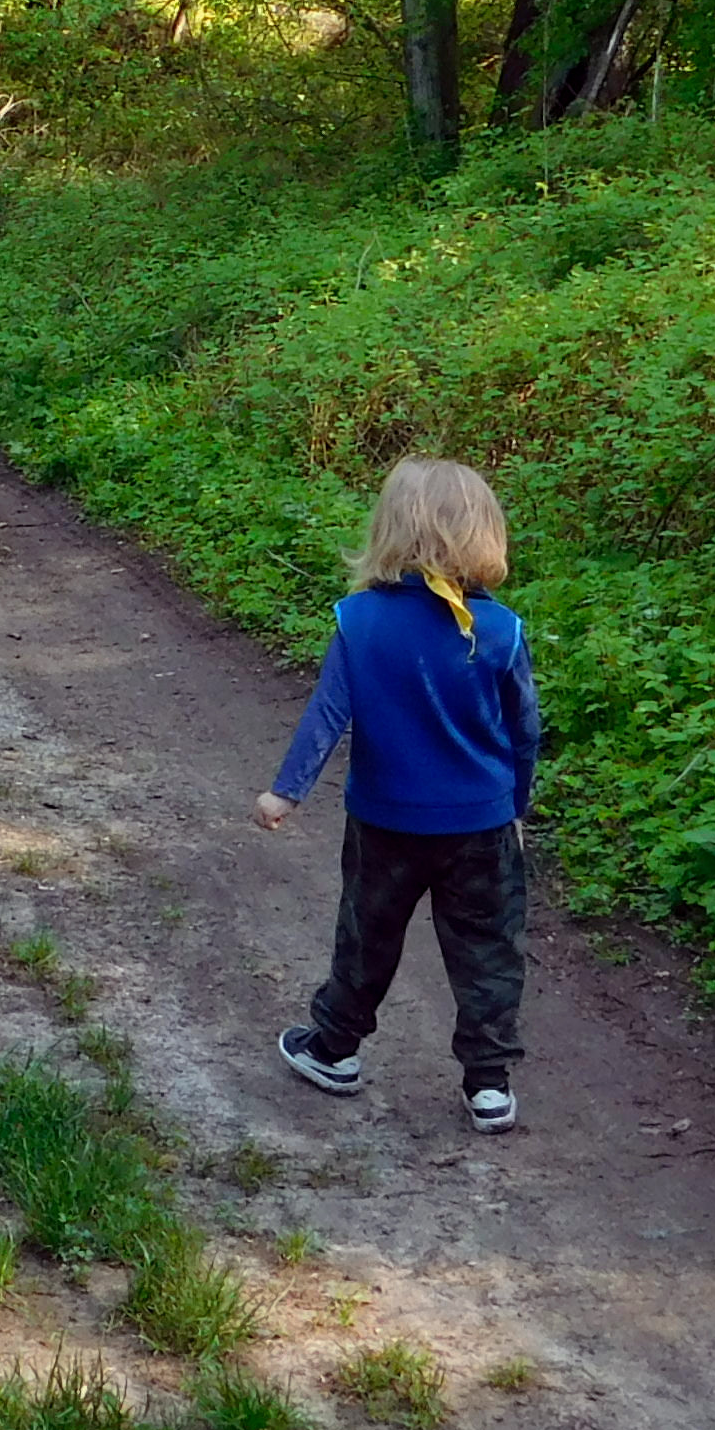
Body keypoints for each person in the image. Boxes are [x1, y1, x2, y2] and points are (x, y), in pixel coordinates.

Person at [255, 457, 539, 1129]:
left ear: (392, 530)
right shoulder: (502, 631)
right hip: (481, 826)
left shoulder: (360, 621)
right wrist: (516, 808)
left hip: (385, 824)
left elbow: (327, 715)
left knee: (367, 936)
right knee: (489, 950)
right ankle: (489, 1085)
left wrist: (285, 793)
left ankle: (334, 1048)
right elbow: (524, 732)